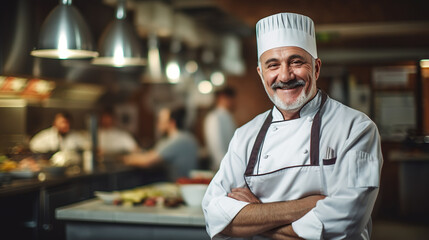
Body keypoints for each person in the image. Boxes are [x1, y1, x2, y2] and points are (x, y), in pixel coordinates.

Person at [202, 12, 383, 240]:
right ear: (261, 74)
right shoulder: (245, 136)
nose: (285, 75)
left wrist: (255, 216)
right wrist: (309, 205)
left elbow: (346, 223)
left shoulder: (356, 129)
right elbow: (213, 215)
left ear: (316, 68)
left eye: (296, 62)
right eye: (273, 65)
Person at [123, 107, 199, 180]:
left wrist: (126, 159)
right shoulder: (188, 137)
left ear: (172, 123)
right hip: (187, 184)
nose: (158, 124)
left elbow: (147, 161)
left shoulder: (177, 140)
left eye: (160, 121)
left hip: (179, 185)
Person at [203, 87, 237, 171]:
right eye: (231, 99)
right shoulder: (214, 117)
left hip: (230, 165)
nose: (234, 102)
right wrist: (226, 168)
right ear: (221, 98)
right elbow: (216, 147)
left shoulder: (227, 116)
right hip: (221, 168)